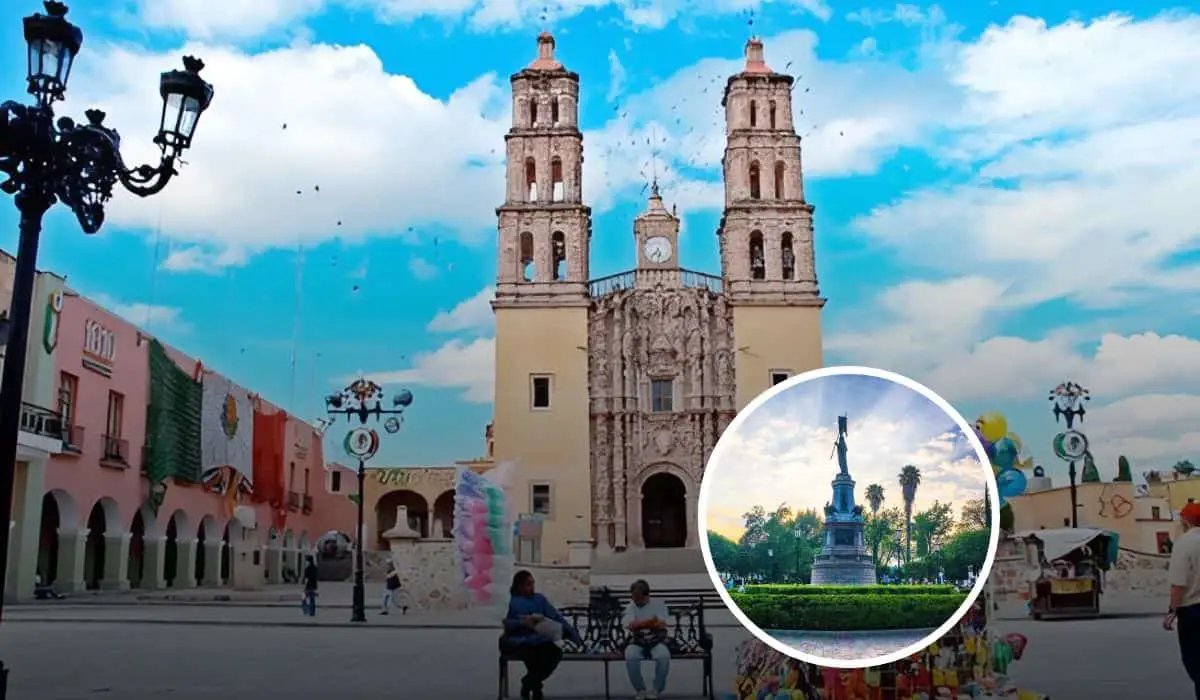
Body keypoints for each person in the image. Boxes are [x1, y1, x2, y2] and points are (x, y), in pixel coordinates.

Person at [502, 570, 579, 700]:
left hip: (540, 640)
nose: (531, 587)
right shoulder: (510, 601)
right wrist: (522, 622)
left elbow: (555, 616)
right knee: (534, 656)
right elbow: (504, 622)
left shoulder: (539, 599)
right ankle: (536, 689)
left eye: (533, 584)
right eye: (528, 584)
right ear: (519, 586)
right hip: (518, 641)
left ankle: (529, 682)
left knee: (554, 653)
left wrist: (572, 634)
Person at [1166, 502, 1200, 698]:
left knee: (1196, 663)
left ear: (1186, 521)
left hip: (1193, 612)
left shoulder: (1184, 544)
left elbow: (1178, 583)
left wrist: (1172, 611)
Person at [622, 579, 671, 700]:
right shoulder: (631, 607)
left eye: (638, 598)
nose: (635, 600)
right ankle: (640, 689)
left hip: (656, 640)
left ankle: (656, 689)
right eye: (634, 597)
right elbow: (631, 625)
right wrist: (651, 622)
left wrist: (641, 624)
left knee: (663, 656)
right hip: (637, 641)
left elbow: (661, 624)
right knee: (630, 655)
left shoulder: (658, 604)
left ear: (646, 595)